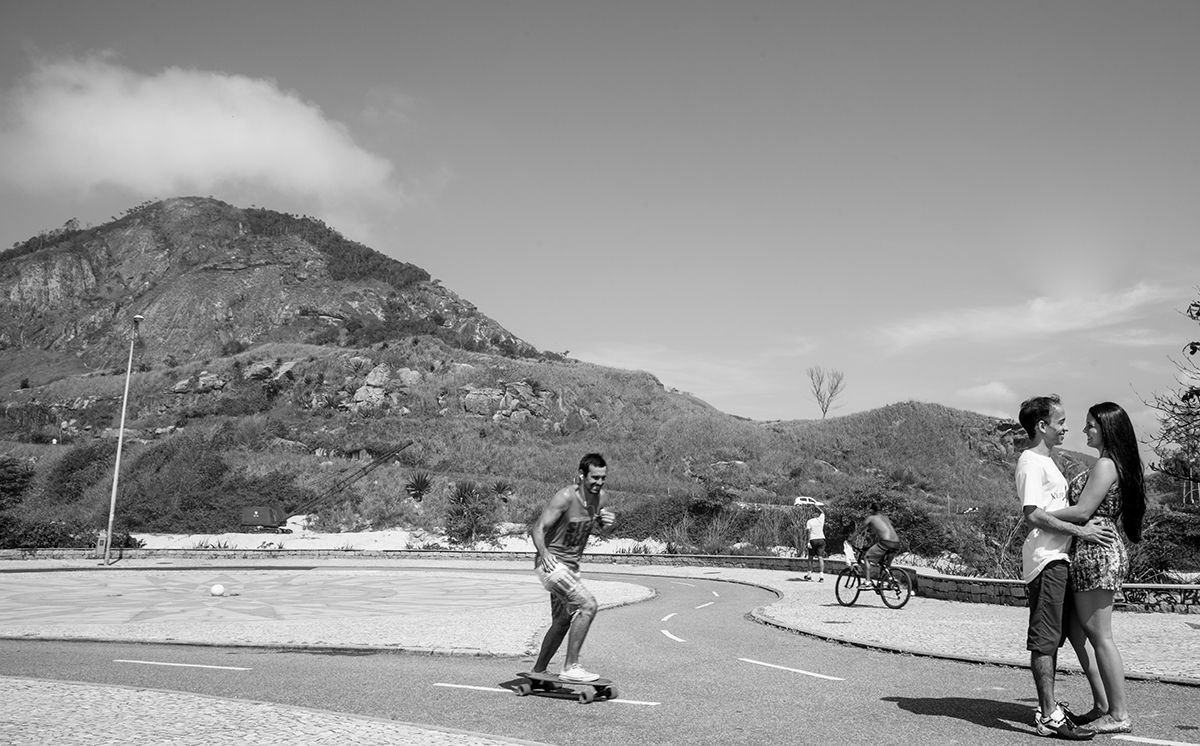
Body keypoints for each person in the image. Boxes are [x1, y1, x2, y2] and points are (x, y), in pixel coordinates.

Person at [1016, 395, 1116, 740]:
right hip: (1046, 559)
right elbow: (1032, 514)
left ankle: (1054, 708)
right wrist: (1081, 530)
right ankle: (1048, 715)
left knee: (1058, 637)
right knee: (1045, 641)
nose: (1066, 427)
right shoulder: (1031, 461)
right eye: (1060, 422)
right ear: (1042, 426)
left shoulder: (1049, 462)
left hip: (1059, 558)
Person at [1047, 402, 1146, 735]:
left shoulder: (1105, 464)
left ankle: (1119, 714)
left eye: (1090, 425)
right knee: (1078, 632)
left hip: (1097, 551)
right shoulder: (1106, 463)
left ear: (1107, 428)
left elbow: (1082, 511)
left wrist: (1038, 515)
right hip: (1088, 550)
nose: (1084, 430)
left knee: (1100, 635)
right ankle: (1103, 705)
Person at [529, 453, 616, 682]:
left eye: (603, 478)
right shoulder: (566, 497)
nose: (599, 482)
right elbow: (537, 528)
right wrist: (545, 553)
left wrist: (608, 527)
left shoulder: (601, 499)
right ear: (581, 475)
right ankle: (570, 667)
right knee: (588, 605)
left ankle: (538, 671)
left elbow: (603, 531)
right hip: (551, 565)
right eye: (594, 477)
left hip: (570, 569)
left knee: (561, 621)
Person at [856, 502, 899, 586]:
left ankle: (868, 581)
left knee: (866, 558)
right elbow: (881, 536)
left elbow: (859, 530)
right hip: (896, 543)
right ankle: (890, 581)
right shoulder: (886, 518)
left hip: (886, 543)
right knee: (886, 565)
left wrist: (850, 540)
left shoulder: (871, 518)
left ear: (872, 510)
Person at [802, 506, 827, 582]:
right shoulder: (821, 519)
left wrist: (808, 541)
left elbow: (809, 532)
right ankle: (821, 576)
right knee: (820, 558)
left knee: (810, 558)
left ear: (813, 515)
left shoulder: (809, 521)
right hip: (821, 539)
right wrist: (816, 506)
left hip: (813, 539)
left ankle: (809, 575)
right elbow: (822, 512)